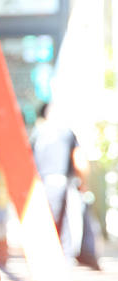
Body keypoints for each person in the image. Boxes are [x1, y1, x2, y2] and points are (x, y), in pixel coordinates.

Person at [31, 101, 99, 267]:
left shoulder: (36, 134)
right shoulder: (65, 133)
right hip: (61, 183)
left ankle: (44, 262)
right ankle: (63, 262)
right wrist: (84, 184)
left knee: (44, 226)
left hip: (40, 185)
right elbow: (79, 161)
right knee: (65, 228)